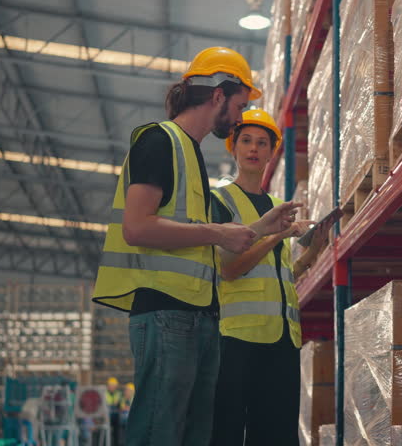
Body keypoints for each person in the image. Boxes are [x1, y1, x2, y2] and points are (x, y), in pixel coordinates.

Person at [92, 47, 302, 446]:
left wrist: (260, 228)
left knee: (191, 434)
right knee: (160, 431)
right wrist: (219, 233)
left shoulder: (191, 154)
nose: (241, 118)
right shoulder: (159, 140)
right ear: (218, 95)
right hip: (165, 312)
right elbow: (136, 227)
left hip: (197, 317)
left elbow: (197, 237)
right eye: (240, 106)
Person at [210, 109, 330, 446]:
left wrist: (310, 255)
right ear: (233, 148)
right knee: (227, 433)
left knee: (276, 435)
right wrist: (276, 235)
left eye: (262, 143)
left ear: (271, 152)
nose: (253, 148)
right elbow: (229, 270)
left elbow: (278, 276)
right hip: (236, 340)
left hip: (282, 340)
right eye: (246, 140)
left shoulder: (279, 204)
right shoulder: (220, 202)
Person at [105, 377, 122, 446]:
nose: (111, 387)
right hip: (107, 415)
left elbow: (119, 405)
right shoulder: (105, 393)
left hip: (115, 416)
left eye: (113, 385)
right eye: (110, 385)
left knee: (117, 431)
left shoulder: (118, 394)